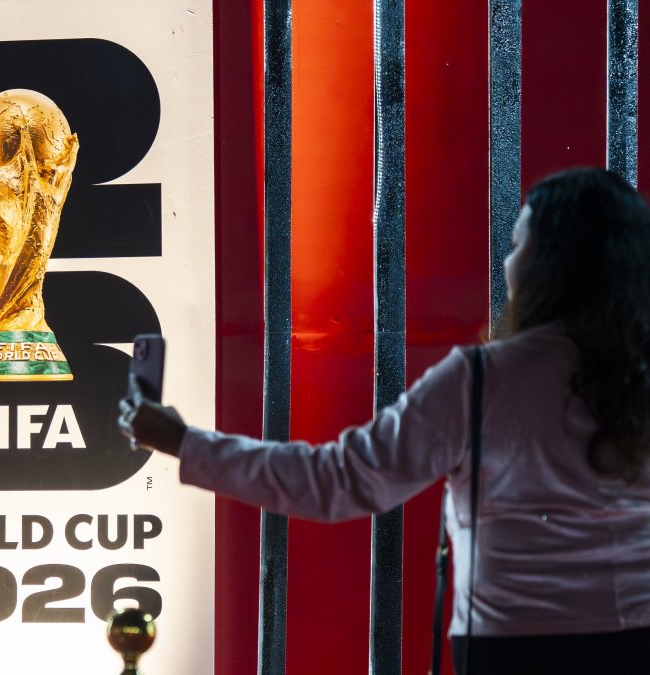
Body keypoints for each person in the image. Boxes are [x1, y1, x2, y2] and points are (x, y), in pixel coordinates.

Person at [119, 167, 650, 675]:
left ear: (548, 265)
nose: (507, 264)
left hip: (512, 649)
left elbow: (338, 480)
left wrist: (185, 443)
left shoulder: (482, 379)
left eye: (518, 245)